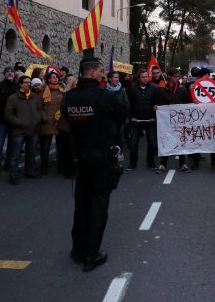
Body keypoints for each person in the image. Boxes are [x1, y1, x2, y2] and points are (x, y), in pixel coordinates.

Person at [63, 57, 129, 272]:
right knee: (99, 204)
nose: (103, 75)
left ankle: (78, 250)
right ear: (92, 73)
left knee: (81, 203)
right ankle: (92, 254)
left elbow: (65, 120)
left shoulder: (70, 97)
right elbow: (123, 116)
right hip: (102, 156)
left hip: (80, 156)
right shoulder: (105, 96)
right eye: (101, 71)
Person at [5, 75, 40, 184]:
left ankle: (30, 172)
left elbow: (39, 110)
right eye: (25, 82)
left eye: (29, 82)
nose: (28, 84)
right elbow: (8, 115)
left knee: (31, 153)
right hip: (18, 131)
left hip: (32, 130)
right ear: (20, 84)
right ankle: (13, 175)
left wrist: (37, 119)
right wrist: (21, 123)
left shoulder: (33, 96)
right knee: (15, 155)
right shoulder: (13, 98)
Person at [155, 69, 192, 174]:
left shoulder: (182, 89)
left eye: (177, 76)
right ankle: (163, 164)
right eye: (175, 76)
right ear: (170, 77)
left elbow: (187, 103)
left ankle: (182, 164)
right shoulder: (162, 90)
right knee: (166, 141)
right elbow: (159, 104)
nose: (177, 78)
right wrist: (156, 107)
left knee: (181, 141)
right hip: (167, 122)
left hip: (180, 121)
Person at [126, 68, 158, 170]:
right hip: (136, 121)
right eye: (143, 77)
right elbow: (128, 105)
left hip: (150, 121)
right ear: (138, 78)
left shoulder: (154, 88)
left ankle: (151, 162)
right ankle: (132, 164)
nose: (145, 79)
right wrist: (131, 117)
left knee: (152, 143)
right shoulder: (131, 89)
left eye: (146, 77)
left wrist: (154, 117)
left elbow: (157, 104)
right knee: (133, 143)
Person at [0, 67, 17, 177]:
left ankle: (8, 164)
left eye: (11, 71)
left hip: (13, 120)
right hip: (1, 119)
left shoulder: (17, 85)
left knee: (12, 145)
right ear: (4, 74)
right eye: (7, 72)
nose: (10, 73)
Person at [39, 70, 65, 175]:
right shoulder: (43, 91)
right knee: (45, 146)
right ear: (48, 79)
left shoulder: (62, 90)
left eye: (56, 77)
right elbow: (39, 107)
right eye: (53, 77)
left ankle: (60, 165)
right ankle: (44, 165)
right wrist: (43, 116)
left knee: (60, 146)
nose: (55, 79)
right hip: (47, 121)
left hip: (59, 121)